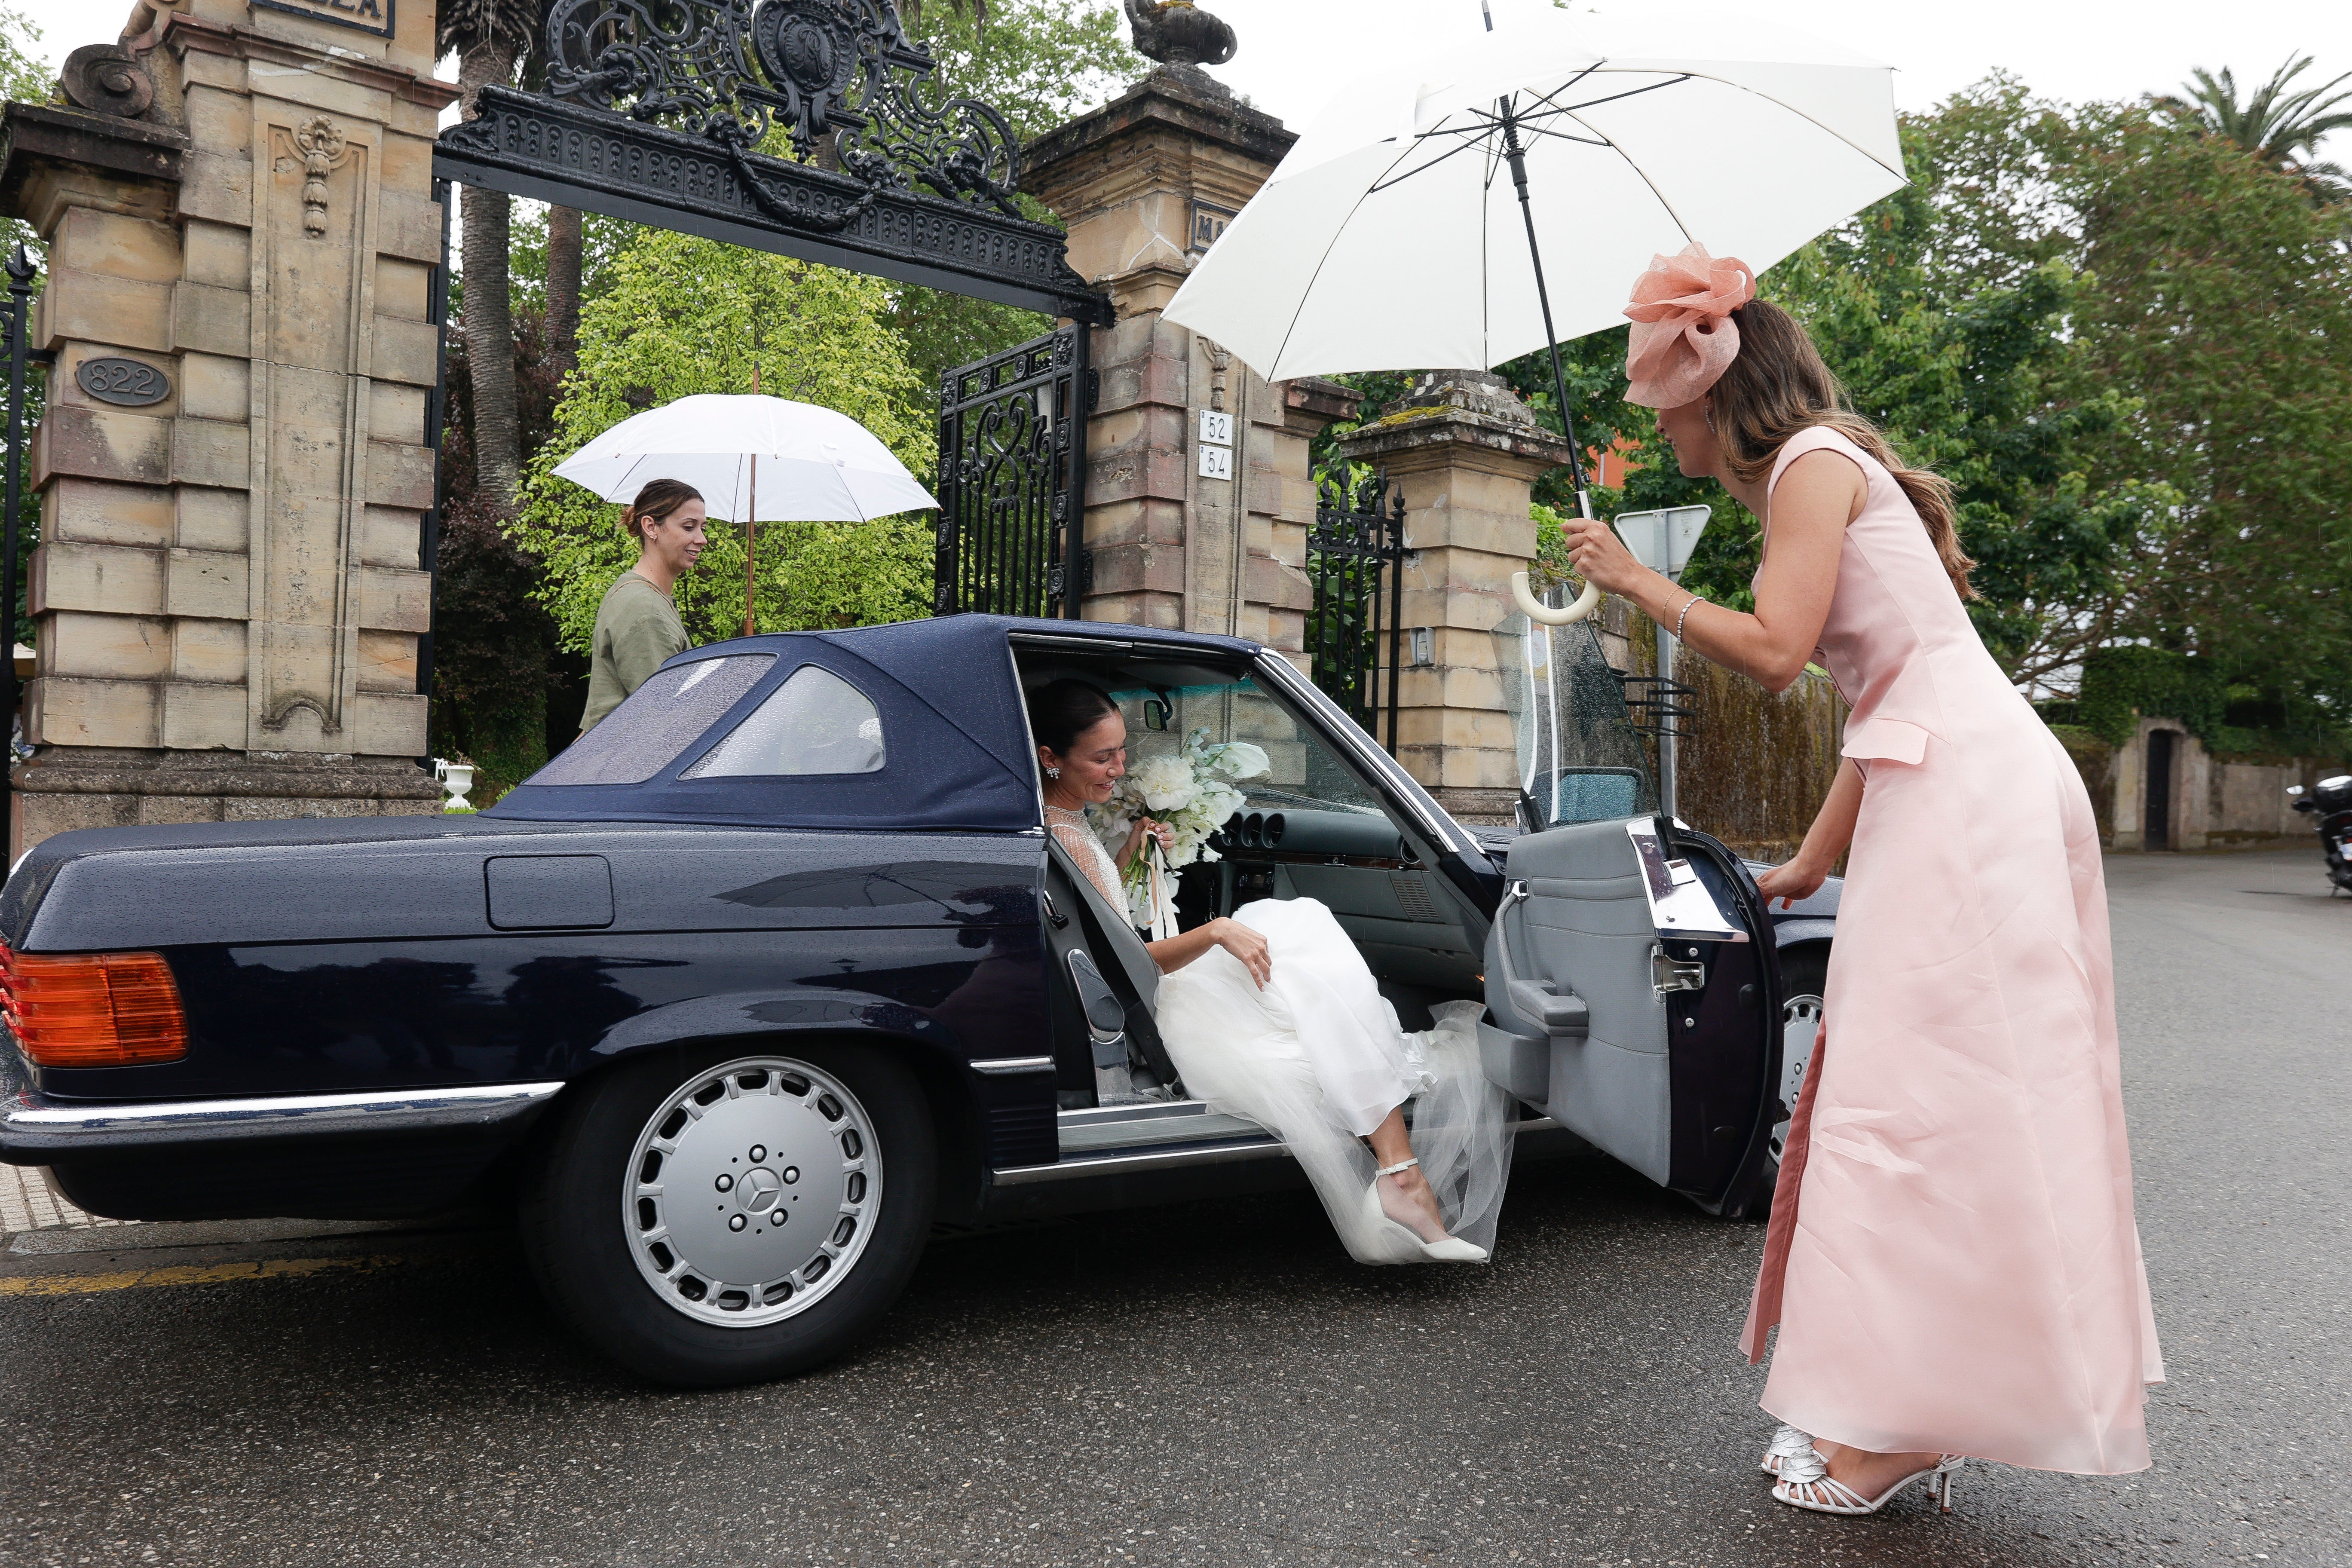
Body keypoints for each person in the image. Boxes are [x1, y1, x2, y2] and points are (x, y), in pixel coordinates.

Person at [1561, 245, 2161, 1516]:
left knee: (1926, 1111)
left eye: (1656, 400)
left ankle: (1907, 1424)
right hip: (1952, 783)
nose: (1651, 425)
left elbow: (1779, 654)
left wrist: (1633, 581)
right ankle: (1901, 1406)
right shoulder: (1825, 469)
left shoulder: (1810, 467)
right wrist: (1815, 860)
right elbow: (1877, 700)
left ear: (1711, 383)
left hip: (1968, 797)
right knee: (1915, 1106)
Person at [1027, 678, 1511, 1265]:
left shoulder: (1068, 824)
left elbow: (1104, 920)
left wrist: (1132, 849)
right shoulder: (1066, 837)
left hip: (1149, 985)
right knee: (1295, 928)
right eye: (1102, 758)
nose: (1119, 768)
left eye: (1123, 751)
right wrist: (1214, 931)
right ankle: (1402, 1178)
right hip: (1151, 1006)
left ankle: (1399, 1176)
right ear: (1051, 758)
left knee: (1298, 933)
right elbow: (1122, 964)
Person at [579, 479, 707, 733]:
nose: (702, 539)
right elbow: (664, 719)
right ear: (651, 527)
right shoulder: (644, 608)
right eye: (689, 527)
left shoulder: (647, 596)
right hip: (622, 764)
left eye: (703, 528)